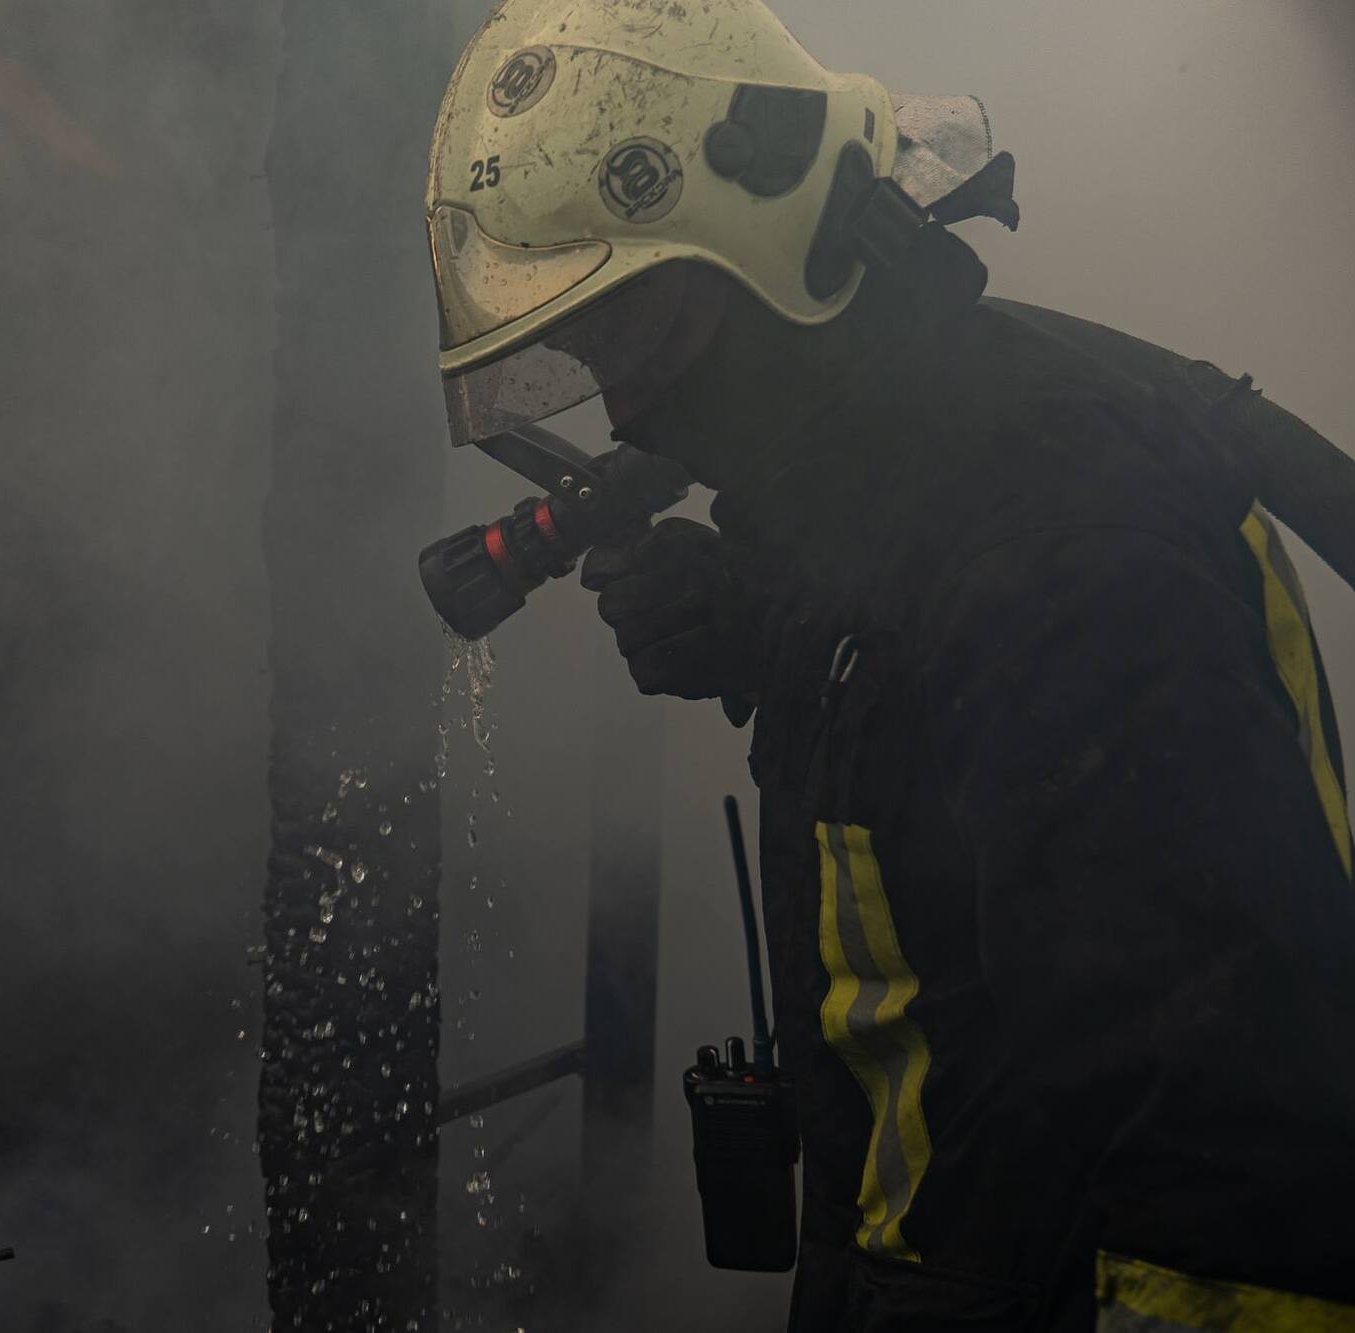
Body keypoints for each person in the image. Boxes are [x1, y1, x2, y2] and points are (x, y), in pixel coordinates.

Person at [424, 2, 1355, 1329]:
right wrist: (774, 624)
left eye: (634, 331)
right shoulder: (908, 493)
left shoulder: (1073, 553)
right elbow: (959, 775)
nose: (622, 409)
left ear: (763, 261)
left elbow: (1243, 1195)